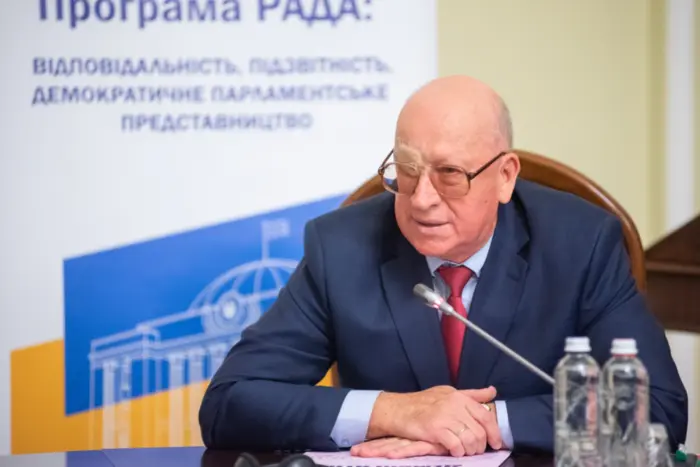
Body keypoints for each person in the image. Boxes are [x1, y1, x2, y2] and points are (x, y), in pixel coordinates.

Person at [198, 75, 688, 458]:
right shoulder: (341, 246)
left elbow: (658, 410)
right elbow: (230, 403)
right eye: (407, 170)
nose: (422, 199)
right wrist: (392, 412)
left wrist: (486, 423)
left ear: (504, 176)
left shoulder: (581, 243)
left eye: (450, 174)